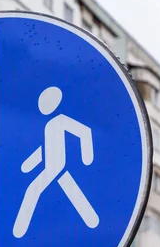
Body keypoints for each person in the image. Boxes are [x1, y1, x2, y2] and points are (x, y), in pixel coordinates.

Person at [13, 86, 100, 238]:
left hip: (57, 165)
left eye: (45, 103)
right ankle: (92, 220)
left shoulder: (61, 120)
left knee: (32, 190)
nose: (42, 107)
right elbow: (45, 149)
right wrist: (28, 165)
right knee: (72, 190)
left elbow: (84, 132)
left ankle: (18, 230)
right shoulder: (48, 125)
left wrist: (87, 158)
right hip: (53, 165)